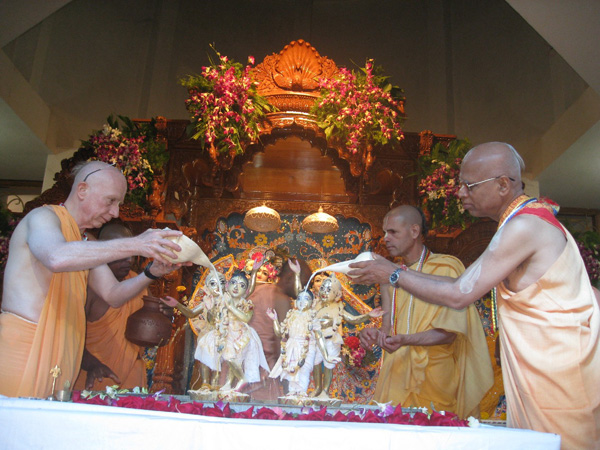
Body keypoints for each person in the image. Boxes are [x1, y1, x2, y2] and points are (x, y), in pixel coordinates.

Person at [349, 142, 600, 449]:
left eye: (470, 185)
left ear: (503, 185)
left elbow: (459, 294)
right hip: (548, 367)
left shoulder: (525, 225)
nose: (460, 193)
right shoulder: (527, 221)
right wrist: (394, 274)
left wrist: (392, 273)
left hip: (559, 372)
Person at [0, 160, 186, 399]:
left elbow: (113, 295)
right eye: (110, 201)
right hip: (24, 350)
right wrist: (137, 243)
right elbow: (56, 257)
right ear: (82, 190)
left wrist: (152, 273)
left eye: (118, 204)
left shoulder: (85, 241)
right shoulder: (43, 217)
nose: (115, 212)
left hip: (63, 356)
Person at [358, 205, 493, 418]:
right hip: (397, 374)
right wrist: (375, 335)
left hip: (435, 376)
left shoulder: (447, 268)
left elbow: (448, 333)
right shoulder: (387, 277)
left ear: (414, 231)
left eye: (393, 232)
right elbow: (388, 329)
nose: (385, 238)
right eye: (384, 232)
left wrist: (406, 340)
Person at [73, 223, 174, 391]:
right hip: (95, 377)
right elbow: (70, 337)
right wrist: (92, 364)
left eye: (132, 254)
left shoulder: (136, 281)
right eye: (122, 253)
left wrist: (165, 314)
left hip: (132, 379)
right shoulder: (88, 287)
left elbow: (154, 329)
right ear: (103, 250)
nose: (129, 260)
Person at [195, 269, 269, 392]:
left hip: (240, 333)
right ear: (227, 285)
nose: (236, 287)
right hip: (224, 332)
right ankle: (226, 384)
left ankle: (240, 379)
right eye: (234, 283)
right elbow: (212, 320)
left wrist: (231, 307)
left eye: (242, 285)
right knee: (210, 347)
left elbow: (246, 318)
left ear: (246, 291)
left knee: (233, 358)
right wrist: (210, 309)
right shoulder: (221, 300)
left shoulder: (246, 304)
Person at [311, 274, 384, 399]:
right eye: (322, 288)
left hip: (330, 341)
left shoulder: (337, 308)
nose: (324, 292)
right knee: (315, 363)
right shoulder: (314, 305)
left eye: (329, 290)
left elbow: (353, 319)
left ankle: (325, 390)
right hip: (315, 341)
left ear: (337, 294)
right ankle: (317, 388)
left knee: (329, 365)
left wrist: (368, 315)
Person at [267, 289, 339, 397]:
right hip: (291, 346)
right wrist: (274, 320)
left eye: (306, 299)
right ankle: (292, 392)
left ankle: (302, 392)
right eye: (299, 298)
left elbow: (319, 337)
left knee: (304, 370)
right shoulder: (291, 316)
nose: (302, 301)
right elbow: (279, 333)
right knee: (291, 371)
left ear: (312, 302)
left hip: (307, 348)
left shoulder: (313, 318)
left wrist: (326, 356)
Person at [162, 270, 226, 389]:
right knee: (205, 357)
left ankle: (216, 383)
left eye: (221, 283)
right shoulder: (206, 302)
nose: (217, 287)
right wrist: (177, 304)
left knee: (219, 360)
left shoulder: (227, 301)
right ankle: (205, 382)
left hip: (222, 334)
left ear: (225, 286)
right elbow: (191, 313)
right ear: (207, 287)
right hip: (208, 332)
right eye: (213, 283)